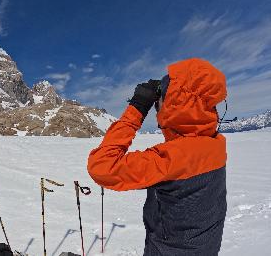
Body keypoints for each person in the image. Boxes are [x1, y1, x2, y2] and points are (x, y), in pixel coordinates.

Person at [87, 58, 227, 256]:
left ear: (178, 101)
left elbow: (102, 167)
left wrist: (137, 108)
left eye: (163, 94)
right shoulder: (215, 144)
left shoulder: (174, 158)